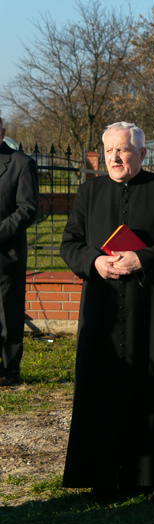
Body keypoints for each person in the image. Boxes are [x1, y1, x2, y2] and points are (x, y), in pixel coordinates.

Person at [60, 122, 154, 496]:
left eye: (122, 150)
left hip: (151, 306)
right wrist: (94, 263)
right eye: (109, 151)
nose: (115, 158)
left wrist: (142, 258)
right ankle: (103, 476)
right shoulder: (89, 191)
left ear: (141, 154)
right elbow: (70, 242)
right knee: (102, 387)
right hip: (103, 305)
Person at [0, 116, 39, 387]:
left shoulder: (21, 163)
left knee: (7, 314)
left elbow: (27, 209)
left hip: (6, 253)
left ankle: (9, 370)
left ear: (2, 132)